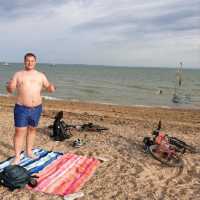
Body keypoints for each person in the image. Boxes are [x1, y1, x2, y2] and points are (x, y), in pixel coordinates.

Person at [6, 53, 56, 164]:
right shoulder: (18, 74)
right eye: (28, 60)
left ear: (35, 62)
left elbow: (48, 86)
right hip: (21, 108)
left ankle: (28, 151)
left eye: (32, 61)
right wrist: (9, 86)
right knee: (20, 132)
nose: (30, 63)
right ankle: (17, 156)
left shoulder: (40, 75)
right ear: (24, 62)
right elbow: (10, 89)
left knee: (32, 130)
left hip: (37, 108)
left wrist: (51, 87)